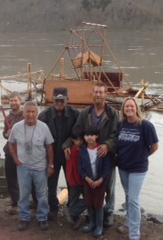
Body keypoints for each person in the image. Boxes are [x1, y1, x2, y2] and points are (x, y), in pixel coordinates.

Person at [63, 81, 119, 227]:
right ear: (92, 94)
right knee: (89, 187)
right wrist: (67, 145)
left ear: (106, 95)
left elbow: (117, 136)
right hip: (88, 158)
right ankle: (90, 212)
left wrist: (108, 145)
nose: (98, 95)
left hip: (106, 158)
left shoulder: (113, 114)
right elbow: (76, 133)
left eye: (101, 92)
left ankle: (109, 212)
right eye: (96, 92)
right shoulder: (85, 113)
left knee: (109, 188)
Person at [116, 97, 159, 240]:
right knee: (128, 195)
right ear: (123, 109)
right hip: (123, 167)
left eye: (131, 106)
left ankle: (134, 234)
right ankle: (128, 223)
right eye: (126, 107)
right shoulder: (121, 124)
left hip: (138, 169)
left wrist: (142, 156)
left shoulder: (145, 125)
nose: (129, 109)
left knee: (134, 200)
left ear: (136, 108)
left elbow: (154, 146)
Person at [8, 101, 54, 231]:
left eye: (33, 112)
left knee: (42, 195)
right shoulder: (16, 127)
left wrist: (51, 165)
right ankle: (24, 218)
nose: (30, 114)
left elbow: (49, 146)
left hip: (40, 167)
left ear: (37, 113)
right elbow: (11, 143)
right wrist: (15, 158)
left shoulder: (43, 127)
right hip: (23, 167)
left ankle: (42, 217)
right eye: (28, 111)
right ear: (23, 113)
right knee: (23, 194)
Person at [38, 87, 79, 219]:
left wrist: (69, 144)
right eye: (57, 100)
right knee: (51, 184)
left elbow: (79, 134)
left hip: (69, 156)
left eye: (62, 100)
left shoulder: (75, 114)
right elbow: (38, 136)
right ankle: (53, 208)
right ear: (52, 99)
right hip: (51, 156)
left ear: (67, 100)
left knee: (72, 183)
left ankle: (72, 209)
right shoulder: (44, 115)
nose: (59, 103)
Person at [79, 126, 111, 237]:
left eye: (92, 135)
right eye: (87, 135)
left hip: (100, 182)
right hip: (88, 181)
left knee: (98, 203)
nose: (89, 137)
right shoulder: (83, 150)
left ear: (96, 136)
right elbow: (80, 167)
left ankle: (99, 225)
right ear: (84, 137)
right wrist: (87, 178)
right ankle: (91, 223)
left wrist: (101, 180)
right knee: (89, 202)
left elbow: (107, 167)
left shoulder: (101, 149)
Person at [2, 92, 25, 214]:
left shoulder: (26, 115)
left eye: (15, 100)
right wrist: (7, 134)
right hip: (10, 151)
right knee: (11, 178)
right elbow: (5, 133)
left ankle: (28, 201)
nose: (13, 103)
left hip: (23, 152)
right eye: (11, 101)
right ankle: (15, 202)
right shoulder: (8, 117)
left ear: (20, 101)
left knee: (25, 178)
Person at [66, 128, 86, 230]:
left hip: (85, 181)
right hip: (75, 182)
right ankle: (74, 216)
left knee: (88, 200)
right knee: (73, 200)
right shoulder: (70, 151)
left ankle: (72, 212)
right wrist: (71, 182)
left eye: (81, 140)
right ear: (73, 140)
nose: (79, 142)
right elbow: (69, 169)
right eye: (77, 140)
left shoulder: (85, 150)